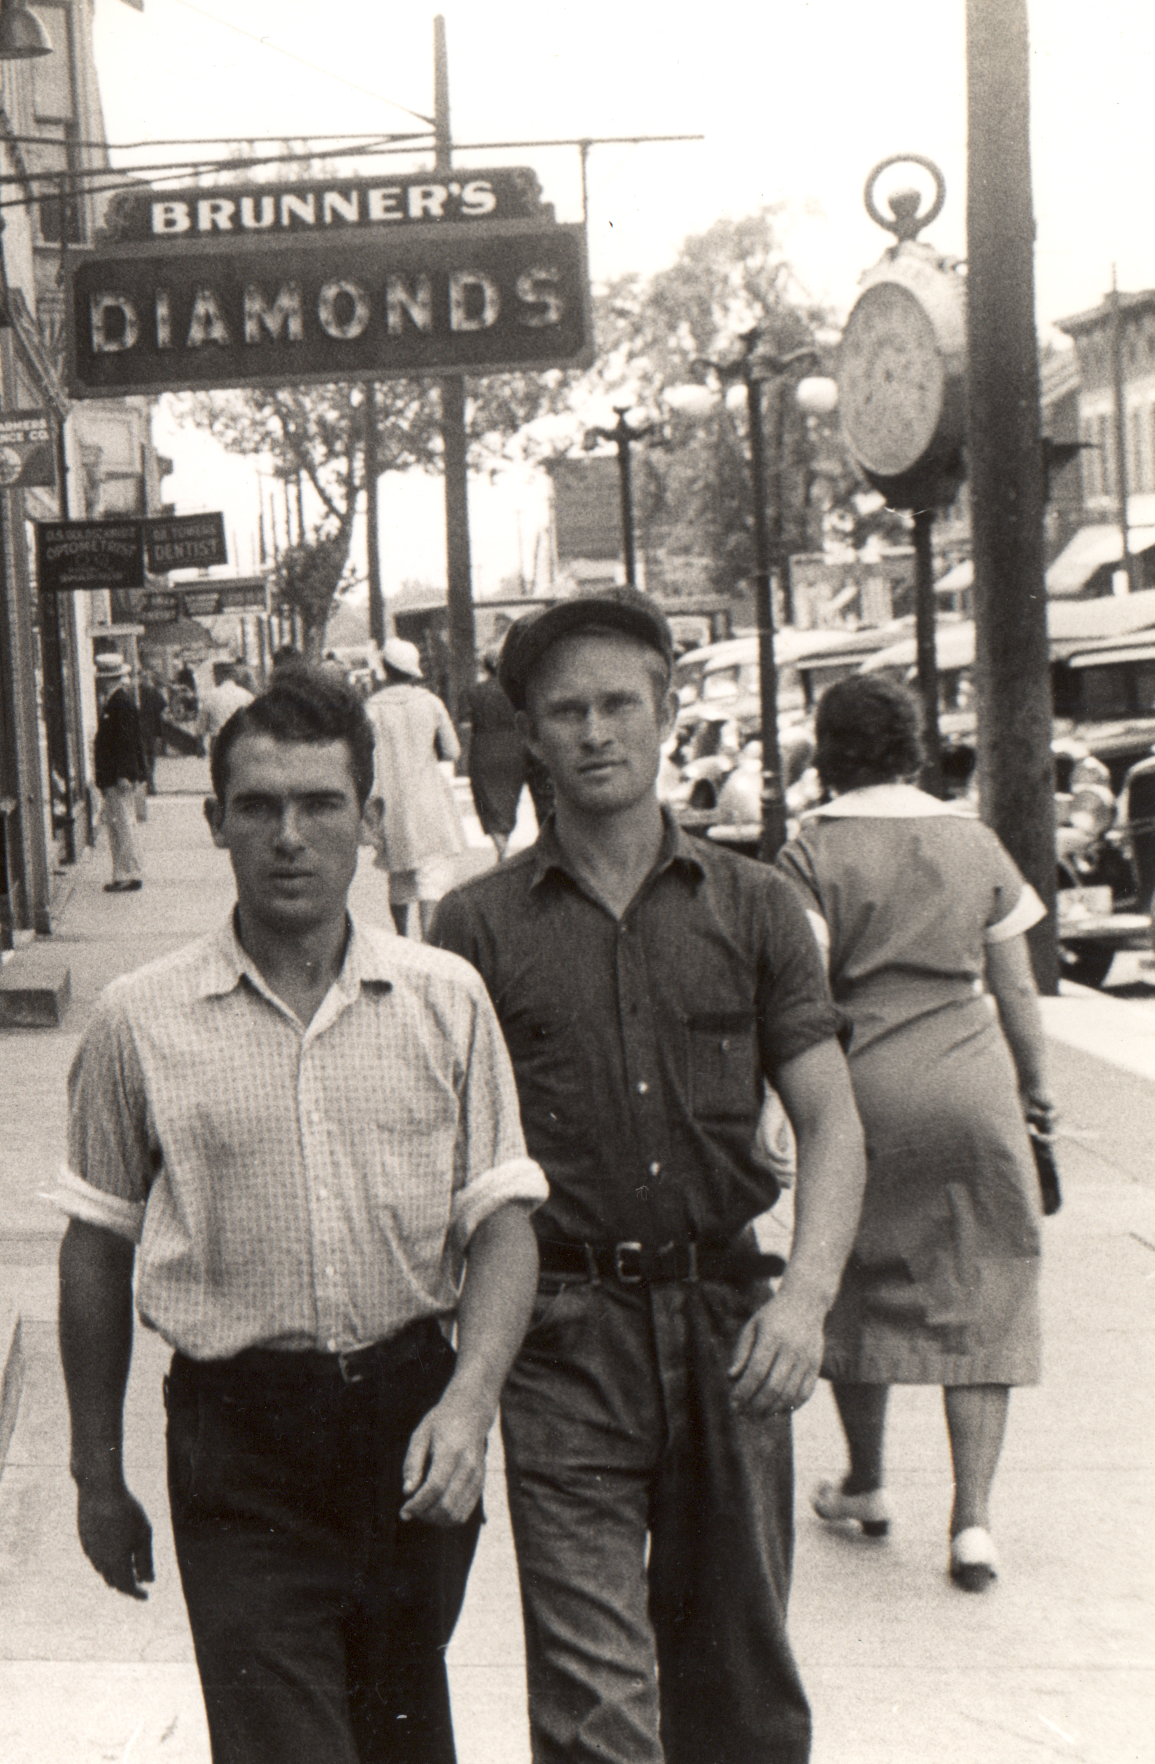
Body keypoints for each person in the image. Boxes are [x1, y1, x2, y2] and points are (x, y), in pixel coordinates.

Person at [59, 672, 547, 1764]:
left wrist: (470, 1403)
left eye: (322, 804)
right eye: (260, 806)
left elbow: (505, 1219)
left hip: (412, 1429)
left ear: (370, 822)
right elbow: (96, 1246)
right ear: (216, 821)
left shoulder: (444, 1000)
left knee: (399, 1735)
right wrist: (97, 1468)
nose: (290, 835)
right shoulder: (139, 1021)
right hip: (240, 1441)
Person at [427, 586, 866, 1764]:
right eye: (565, 710)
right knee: (595, 1708)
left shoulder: (758, 905)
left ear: (666, 711)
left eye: (620, 702)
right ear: (528, 734)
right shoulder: (471, 930)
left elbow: (830, 1120)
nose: (595, 731)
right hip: (562, 1338)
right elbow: (443, 1158)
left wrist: (808, 1297)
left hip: (730, 1328)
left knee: (740, 1691)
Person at [775, 675, 1053, 1593]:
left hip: (863, 1092)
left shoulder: (810, 850)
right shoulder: (975, 841)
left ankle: (865, 1483)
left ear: (827, 750)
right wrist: (1037, 1096)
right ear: (914, 745)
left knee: (857, 1286)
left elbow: (798, 994)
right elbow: (1016, 988)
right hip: (974, 1086)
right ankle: (972, 1523)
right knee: (988, 1286)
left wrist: (769, 1112)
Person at [366, 637, 465, 936]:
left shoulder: (370, 708)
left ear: (385, 667)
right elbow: (452, 751)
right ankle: (429, 942)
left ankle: (402, 939)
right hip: (428, 798)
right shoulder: (431, 702)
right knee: (431, 878)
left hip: (389, 801)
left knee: (399, 879)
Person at [461, 652, 528, 862]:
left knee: (488, 802)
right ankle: (505, 846)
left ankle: (502, 850)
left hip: (484, 748)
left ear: (485, 667)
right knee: (509, 800)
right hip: (514, 748)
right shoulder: (516, 692)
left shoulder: (473, 691)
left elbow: (464, 723)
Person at [93, 681, 149, 893]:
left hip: (117, 778)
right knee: (120, 825)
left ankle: (129, 874)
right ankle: (124, 873)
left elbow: (126, 741)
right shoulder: (118, 703)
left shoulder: (120, 704)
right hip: (115, 777)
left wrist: (124, 773)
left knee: (122, 825)